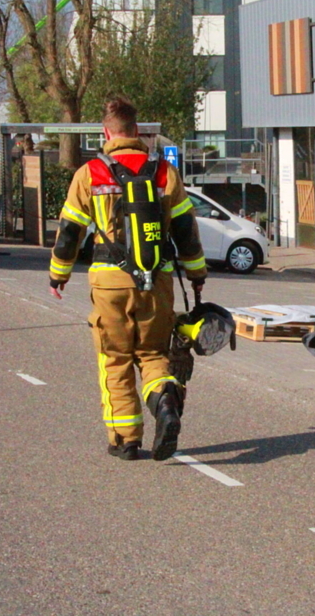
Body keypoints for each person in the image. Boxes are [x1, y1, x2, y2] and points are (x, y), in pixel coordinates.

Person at [48, 96, 207, 461]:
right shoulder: (165, 172)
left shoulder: (89, 174)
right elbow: (186, 232)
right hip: (157, 279)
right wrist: (197, 274)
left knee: (115, 358)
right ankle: (165, 403)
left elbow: (70, 232)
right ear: (137, 132)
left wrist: (58, 275)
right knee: (152, 353)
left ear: (107, 133)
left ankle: (126, 440)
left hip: (110, 282)